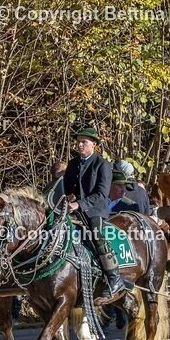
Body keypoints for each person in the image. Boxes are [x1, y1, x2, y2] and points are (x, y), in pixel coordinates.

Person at [62, 126, 127, 303]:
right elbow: (65, 188)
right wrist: (63, 198)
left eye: (83, 142)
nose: (79, 145)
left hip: (94, 210)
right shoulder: (73, 164)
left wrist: (79, 204)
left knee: (96, 235)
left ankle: (114, 278)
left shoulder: (102, 164)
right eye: (78, 142)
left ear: (93, 144)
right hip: (73, 208)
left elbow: (101, 194)